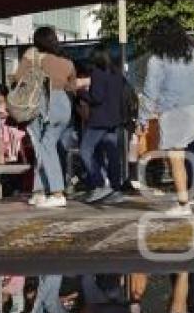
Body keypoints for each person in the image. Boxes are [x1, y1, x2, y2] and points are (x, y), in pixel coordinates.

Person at [140, 18, 194, 217]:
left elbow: (150, 92)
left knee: (176, 159)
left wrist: (142, 119)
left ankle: (184, 203)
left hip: (172, 112)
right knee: (186, 153)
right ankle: (188, 195)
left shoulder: (156, 60)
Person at [15, 26, 77, 208]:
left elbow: (18, 78)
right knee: (46, 146)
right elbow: (71, 87)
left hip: (42, 103)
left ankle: (57, 193)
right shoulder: (67, 62)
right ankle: (39, 191)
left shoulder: (33, 56)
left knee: (44, 147)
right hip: (64, 106)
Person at [77, 46, 126, 204]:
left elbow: (96, 98)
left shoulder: (97, 74)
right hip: (114, 120)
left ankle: (99, 183)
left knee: (85, 150)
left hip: (99, 120)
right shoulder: (117, 75)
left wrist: (82, 93)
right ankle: (116, 189)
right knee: (112, 155)